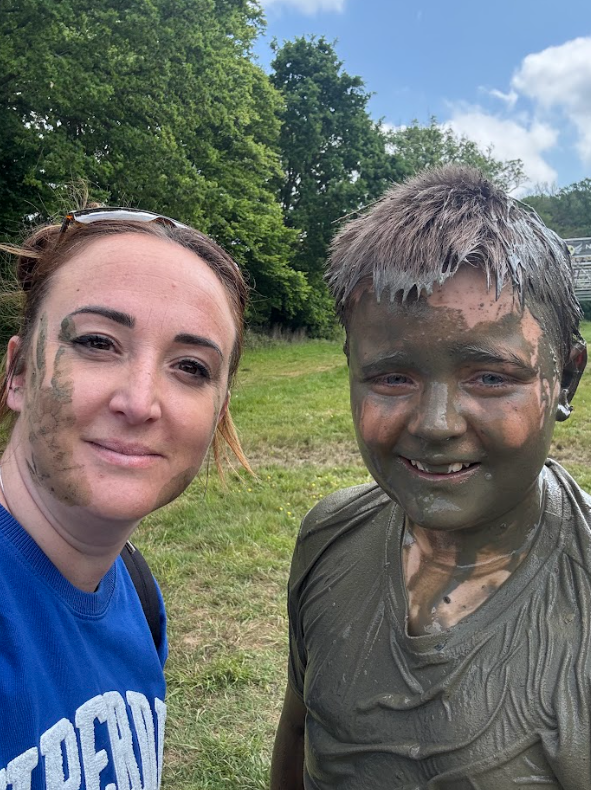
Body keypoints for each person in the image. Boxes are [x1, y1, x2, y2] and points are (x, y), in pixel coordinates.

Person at [270, 165, 590, 790]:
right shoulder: (328, 537)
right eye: (393, 377)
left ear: (566, 380)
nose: (436, 424)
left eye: (490, 377)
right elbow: (300, 728)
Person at [0, 207, 249, 789]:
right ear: (18, 373)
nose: (139, 402)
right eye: (97, 342)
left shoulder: (138, 595)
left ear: (218, 413)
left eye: (191, 367)